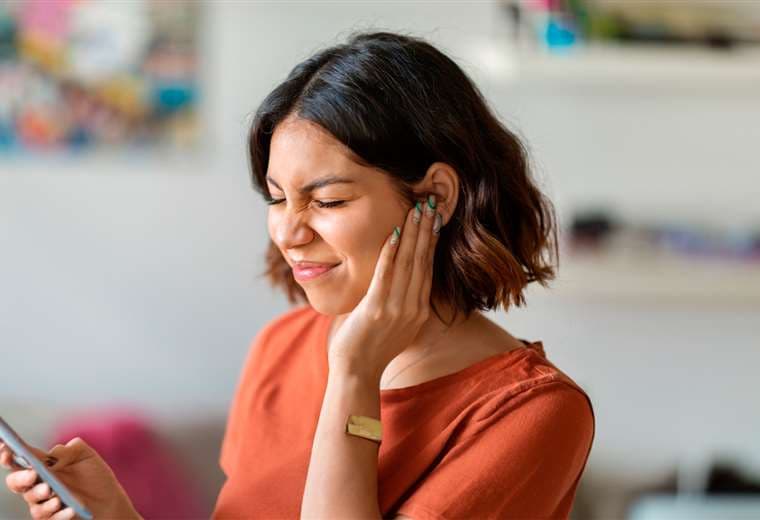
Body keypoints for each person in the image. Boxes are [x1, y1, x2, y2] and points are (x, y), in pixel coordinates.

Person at [2, 31, 595, 519]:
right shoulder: (280, 349)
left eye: (329, 201)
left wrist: (356, 373)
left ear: (434, 197)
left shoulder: (532, 414)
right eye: (277, 198)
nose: (289, 231)